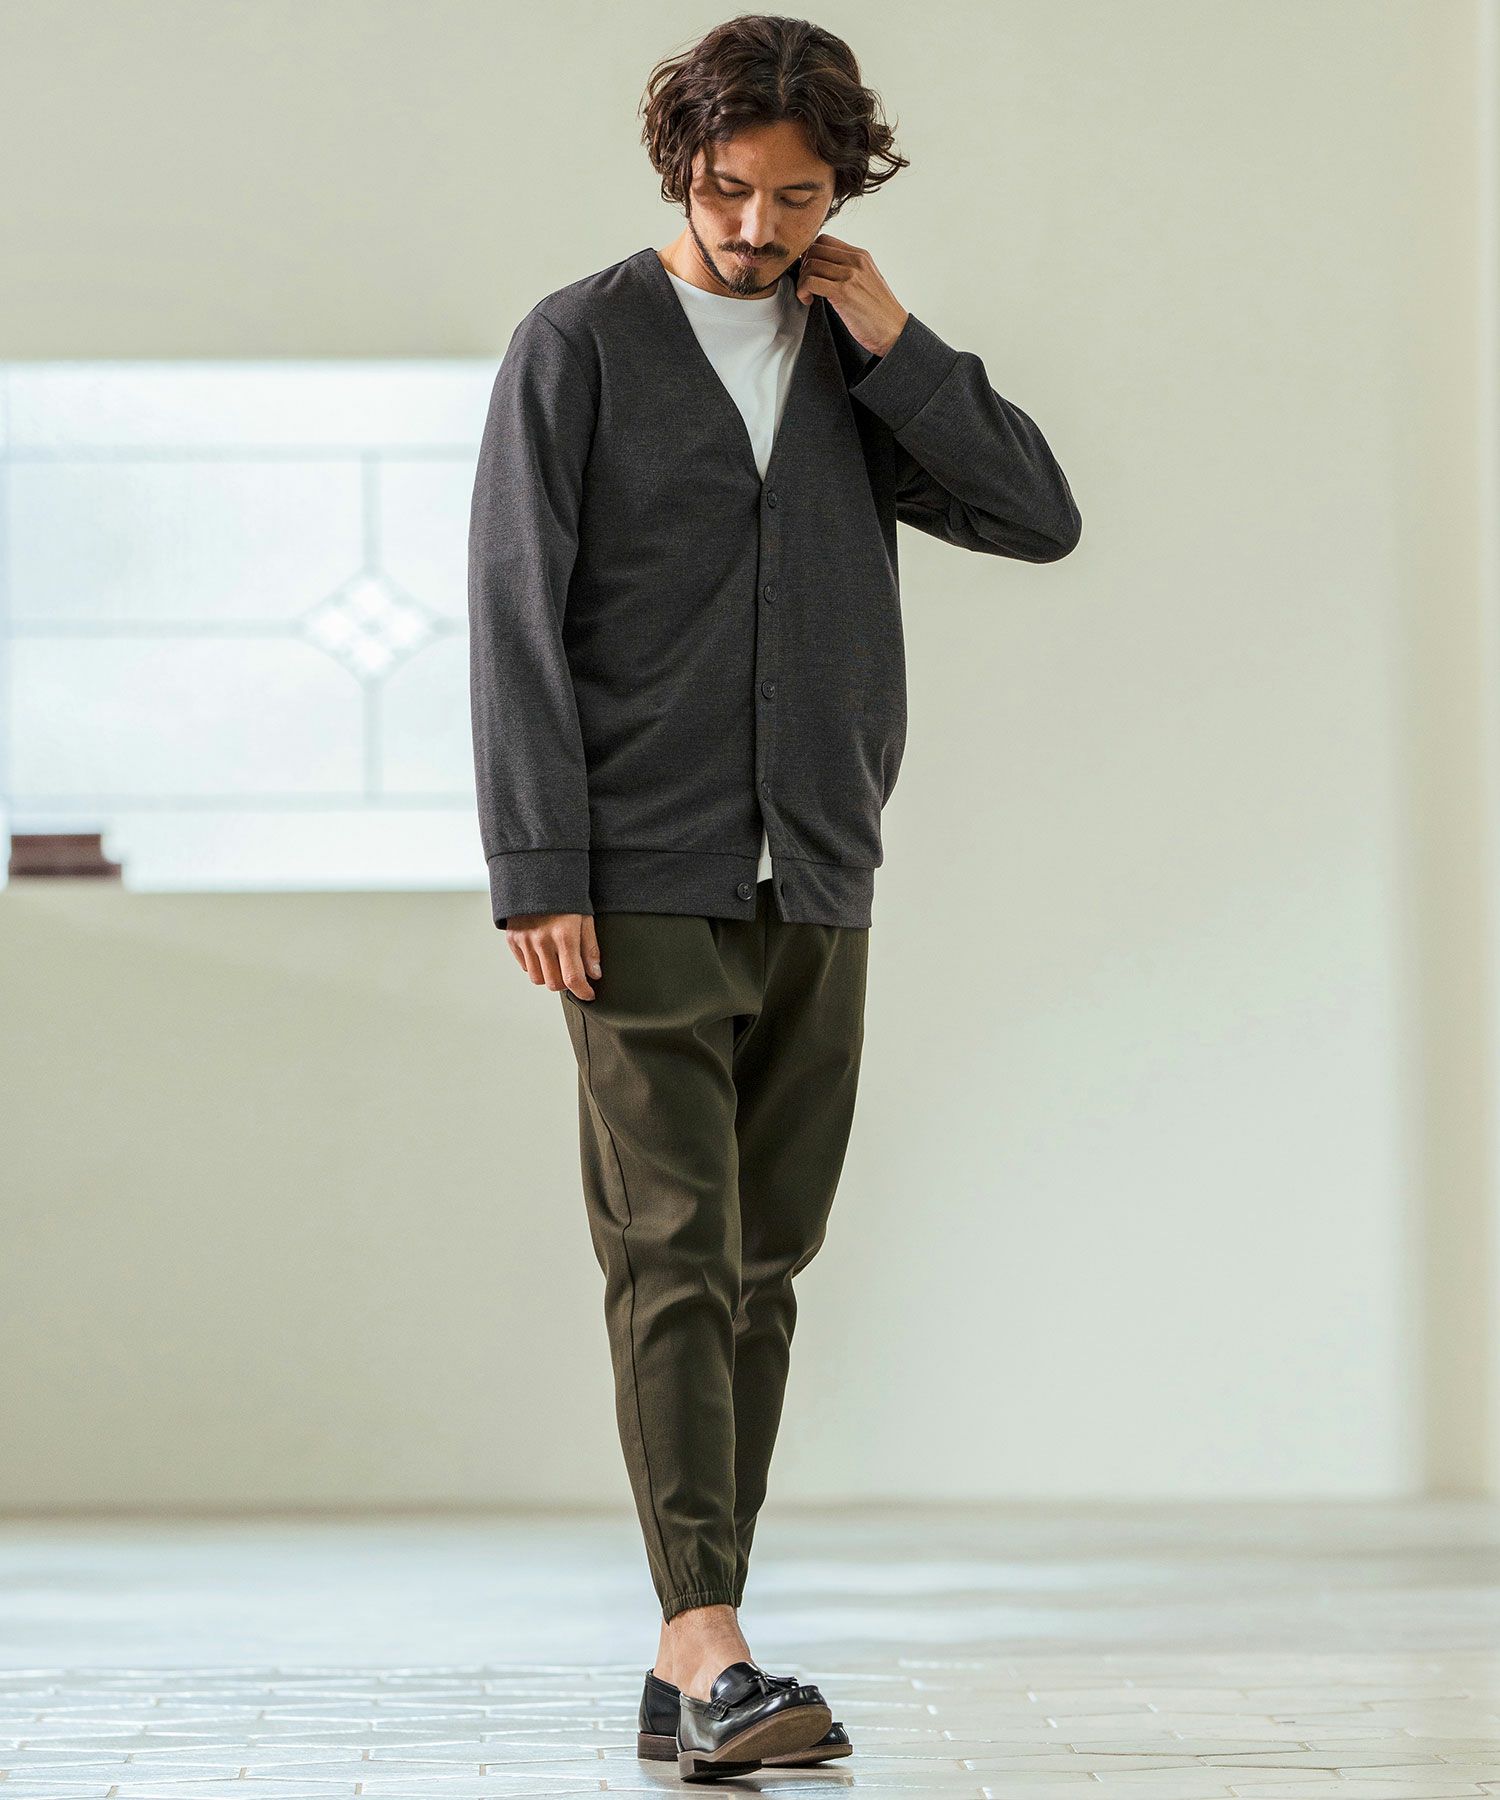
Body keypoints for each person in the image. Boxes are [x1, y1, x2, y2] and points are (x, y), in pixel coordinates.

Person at [467, 13, 1081, 1780]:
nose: (756, 229)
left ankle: (691, 1654)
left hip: (815, 863)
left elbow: (1037, 516)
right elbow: (515, 608)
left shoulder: (851, 354)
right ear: (684, 167)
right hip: (635, 872)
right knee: (671, 1248)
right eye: (729, 191)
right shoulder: (580, 341)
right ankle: (714, 1643)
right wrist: (539, 865)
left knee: (762, 1261)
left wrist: (904, 348)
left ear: (843, 193)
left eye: (796, 199)